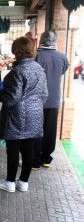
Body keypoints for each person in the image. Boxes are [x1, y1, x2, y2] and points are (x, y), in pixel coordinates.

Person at [0, 37, 48, 192]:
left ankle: (9, 183)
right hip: (35, 114)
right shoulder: (39, 69)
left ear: (17, 51)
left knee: (13, 148)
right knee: (29, 148)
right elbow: (45, 95)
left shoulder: (17, 72)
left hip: (17, 116)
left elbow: (11, 99)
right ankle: (23, 182)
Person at [33, 30, 69, 169]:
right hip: (53, 100)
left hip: (37, 99)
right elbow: (62, 71)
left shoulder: (37, 56)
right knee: (50, 130)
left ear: (42, 40)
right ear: (55, 41)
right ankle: (46, 159)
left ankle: (35, 161)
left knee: (36, 129)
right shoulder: (62, 57)